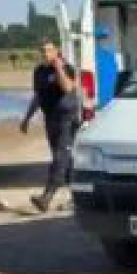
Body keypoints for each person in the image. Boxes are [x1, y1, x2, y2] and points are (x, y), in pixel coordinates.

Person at [21, 39, 82, 212]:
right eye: (42, 51)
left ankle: (46, 197)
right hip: (51, 119)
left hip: (67, 118)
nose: (45, 54)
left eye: (49, 50)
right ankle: (76, 198)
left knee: (60, 157)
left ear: (56, 51)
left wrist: (58, 69)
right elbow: (38, 96)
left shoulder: (67, 68)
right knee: (64, 159)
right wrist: (27, 118)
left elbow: (68, 88)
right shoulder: (39, 72)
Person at [93, 26, 121, 110]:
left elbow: (116, 75)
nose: (104, 40)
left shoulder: (110, 56)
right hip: (102, 100)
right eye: (101, 38)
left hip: (109, 99)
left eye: (105, 38)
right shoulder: (94, 56)